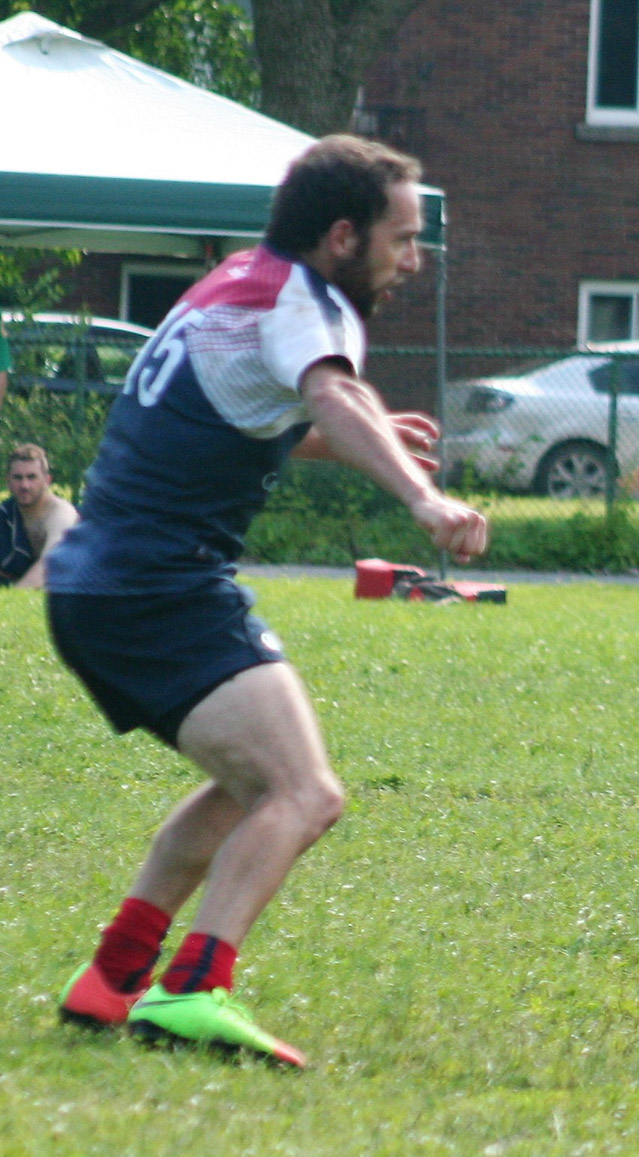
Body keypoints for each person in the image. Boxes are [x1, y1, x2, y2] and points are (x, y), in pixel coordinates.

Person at [45, 135, 489, 1067]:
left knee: (250, 786)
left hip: (102, 584)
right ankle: (193, 990)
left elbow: (245, 406)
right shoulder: (308, 300)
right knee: (305, 790)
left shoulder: (239, 278)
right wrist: (423, 495)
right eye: (403, 239)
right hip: (156, 584)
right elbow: (330, 392)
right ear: (341, 236)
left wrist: (365, 435)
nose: (413, 260)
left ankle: (112, 978)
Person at [0, 443, 78, 587]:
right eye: (18, 478)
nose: (25, 485)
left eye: (32, 477)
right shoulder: (5, 514)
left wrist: (13, 600)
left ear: (47, 480)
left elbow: (51, 564)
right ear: (8, 482)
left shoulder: (61, 513)